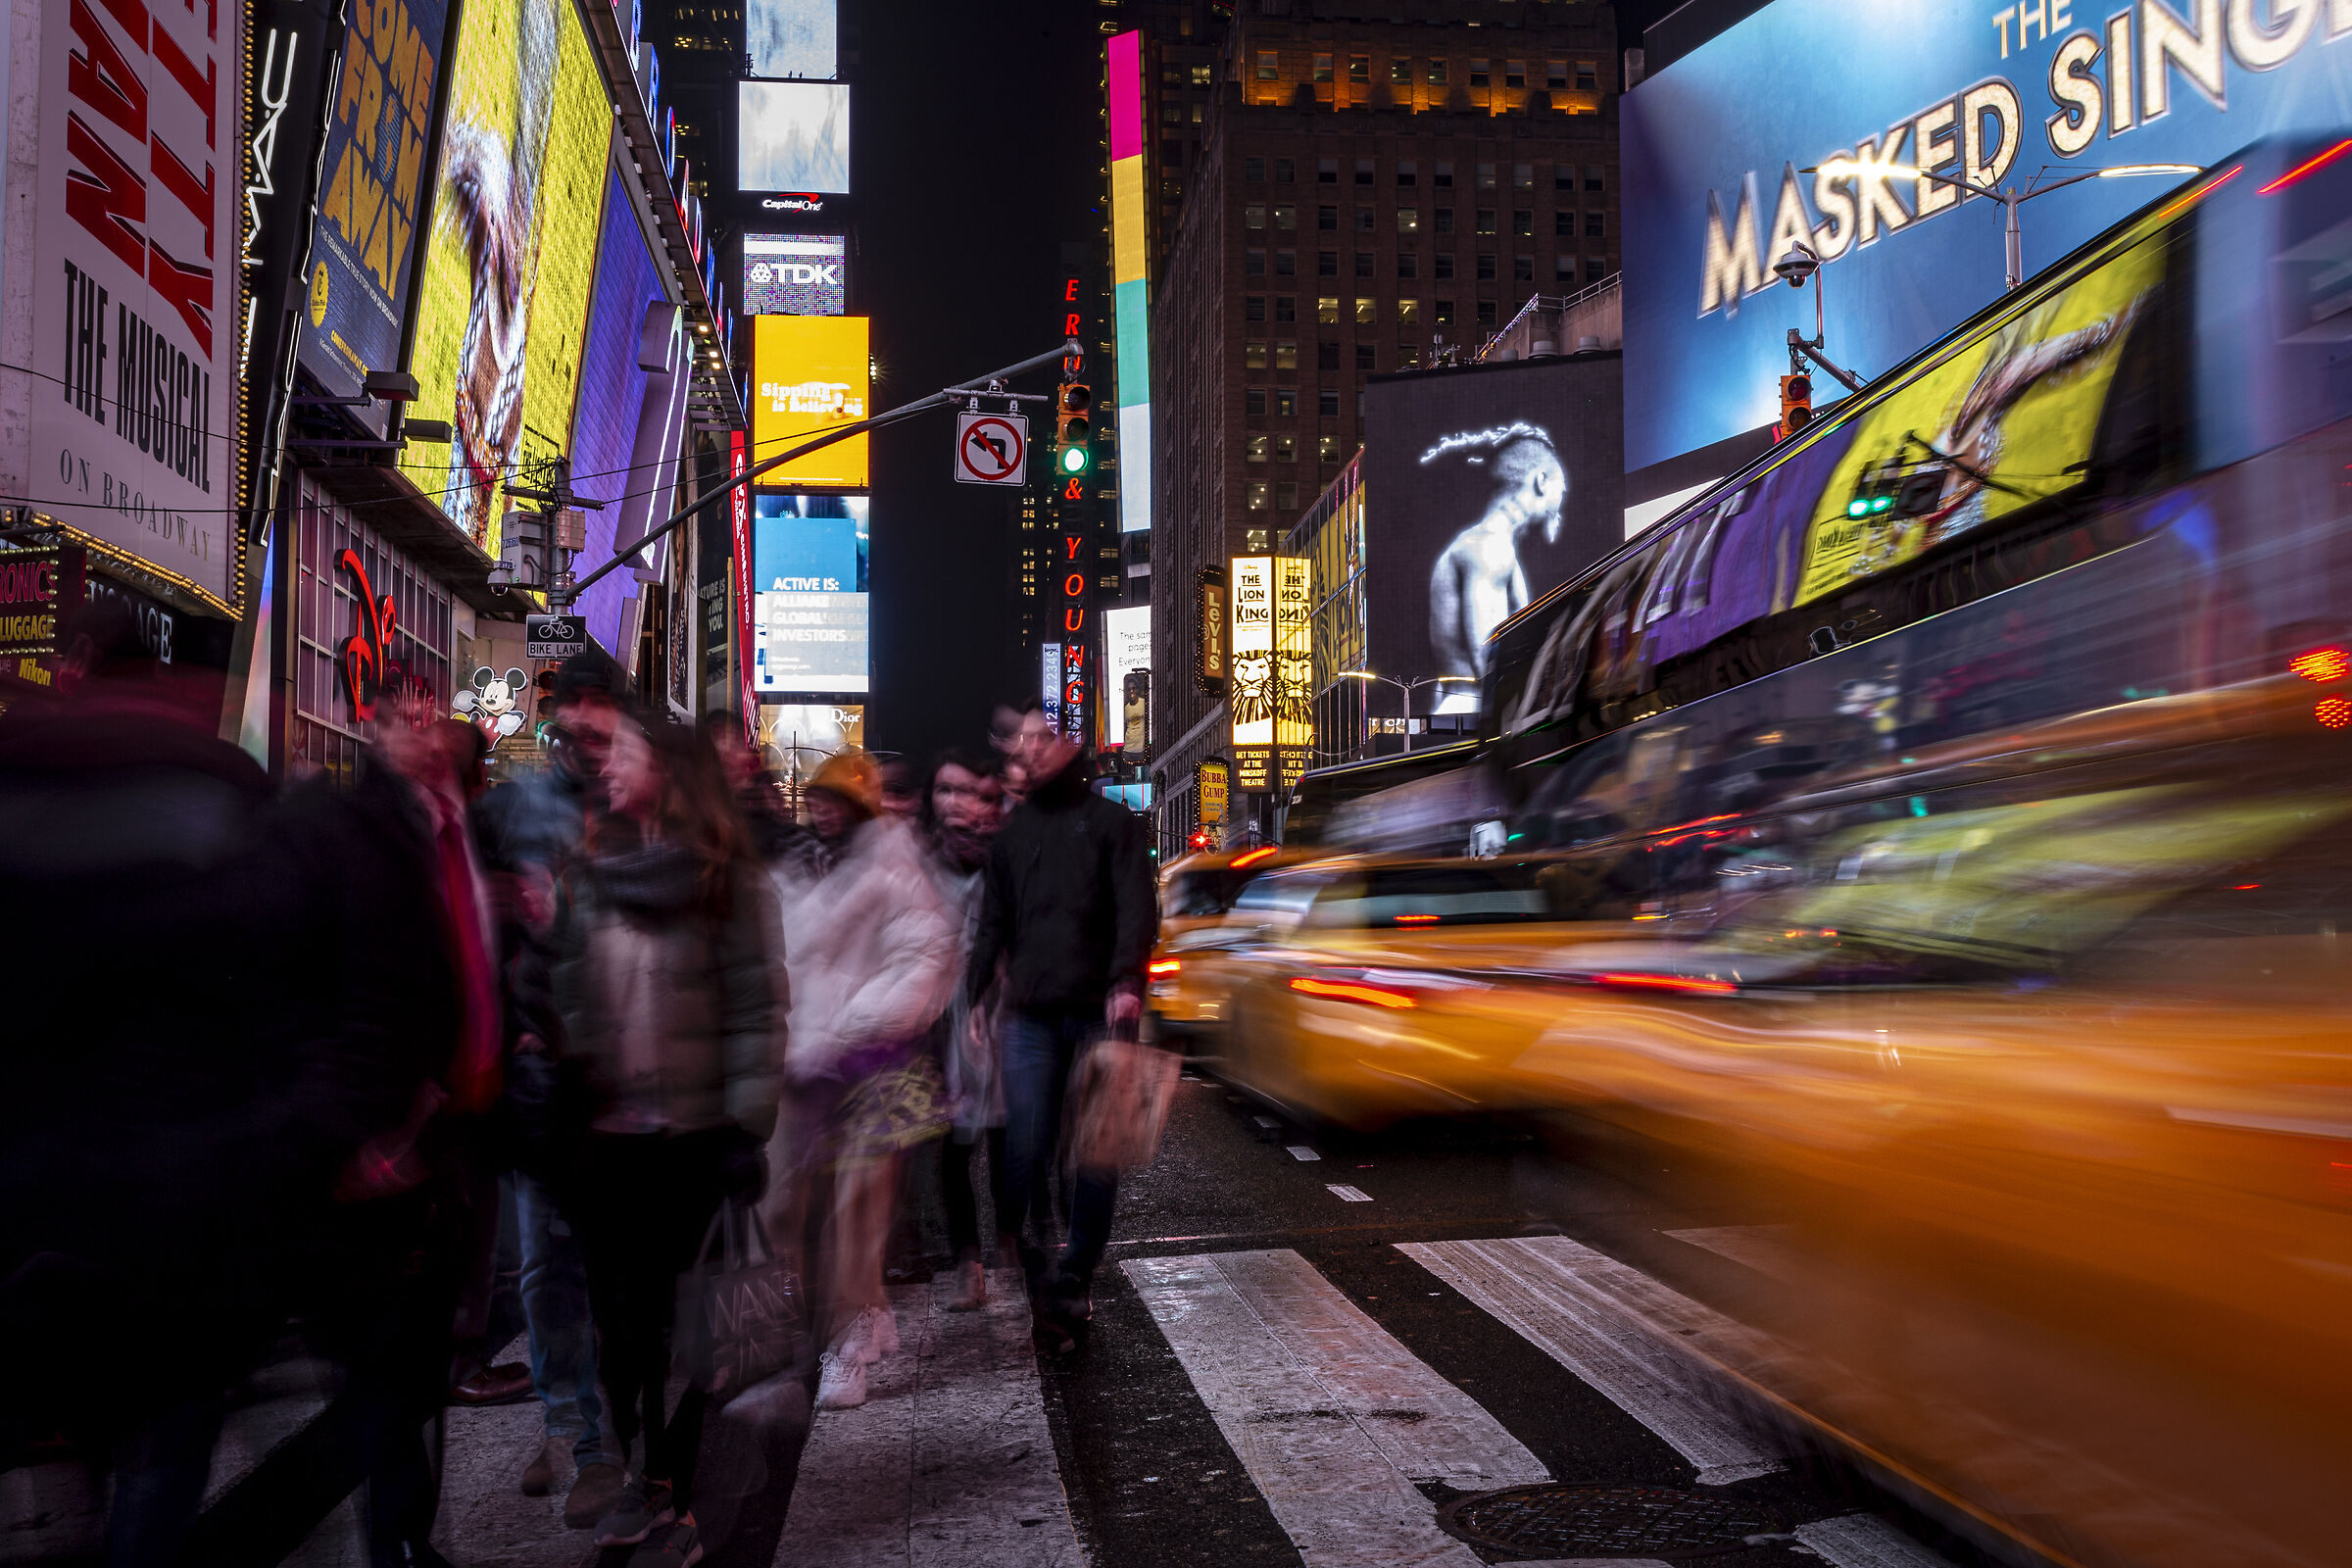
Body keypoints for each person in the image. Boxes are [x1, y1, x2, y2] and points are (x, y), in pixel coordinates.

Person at [550, 715, 781, 1565]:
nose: (608, 767)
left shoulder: (729, 882)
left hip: (690, 1142)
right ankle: (646, 1476)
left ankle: (677, 1493)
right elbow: (568, 991)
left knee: (688, 1337)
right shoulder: (591, 873)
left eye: (627, 754)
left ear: (671, 774)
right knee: (619, 1331)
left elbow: (756, 1010)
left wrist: (745, 1128)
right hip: (605, 1143)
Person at [472, 652, 626, 1527]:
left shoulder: (646, 807)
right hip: (540, 1077)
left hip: (623, 1078)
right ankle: (569, 1425)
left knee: (609, 1268)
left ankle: (610, 1438)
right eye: (576, 705)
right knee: (543, 1266)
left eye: (604, 707)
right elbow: (471, 919)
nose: (588, 723)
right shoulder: (510, 810)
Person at [765, 750, 958, 1411]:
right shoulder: (799, 866)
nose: (822, 809)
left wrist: (859, 1020)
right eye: (816, 798)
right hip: (808, 1068)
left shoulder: (893, 865)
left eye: (836, 800)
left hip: (876, 1065)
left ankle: (847, 1347)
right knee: (793, 1209)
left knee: (856, 1214)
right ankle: (857, 1316)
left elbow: (924, 956)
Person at [965, 705, 1158, 1349]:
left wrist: (1127, 983)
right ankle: (1043, 1261)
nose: (1033, 749)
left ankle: (1075, 1272)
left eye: (1044, 737)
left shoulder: (1113, 824)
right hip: (1030, 1013)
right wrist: (975, 995)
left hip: (1101, 1010)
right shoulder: (1012, 837)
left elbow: (1136, 908)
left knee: (1097, 1151)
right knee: (1026, 1146)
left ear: (1069, 745)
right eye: (1024, 741)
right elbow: (993, 922)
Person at [918, 750, 1013, 1312]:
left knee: (1008, 1147)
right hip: (938, 1019)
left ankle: (1012, 1249)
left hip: (1001, 1013)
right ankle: (968, 1263)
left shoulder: (1005, 857)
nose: (955, 803)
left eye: (967, 791)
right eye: (944, 790)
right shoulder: (921, 859)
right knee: (952, 1152)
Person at [1427, 425, 1568, 705]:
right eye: (1561, 488)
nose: (1562, 499)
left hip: (1467, 708)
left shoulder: (1487, 546)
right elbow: (1488, 660)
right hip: (1478, 711)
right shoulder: (1490, 548)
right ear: (1541, 481)